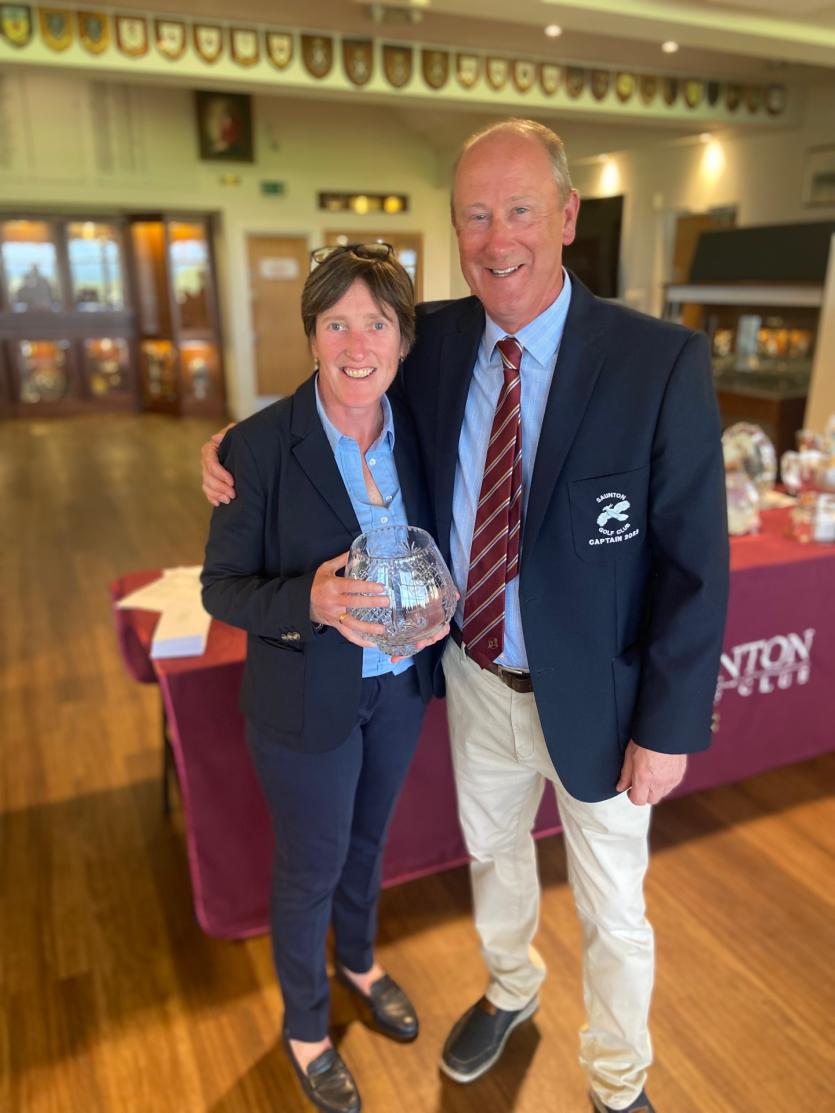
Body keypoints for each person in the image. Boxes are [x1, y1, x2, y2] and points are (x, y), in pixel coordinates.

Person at [201, 119, 729, 1113]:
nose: (497, 238)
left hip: (605, 700)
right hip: (475, 679)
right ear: (454, 233)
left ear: (566, 215)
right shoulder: (438, 339)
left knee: (614, 909)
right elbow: (342, 366)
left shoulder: (657, 361)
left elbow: (697, 562)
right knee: (493, 859)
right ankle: (510, 988)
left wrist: (668, 727)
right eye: (474, 217)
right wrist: (237, 440)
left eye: (519, 210)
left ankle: (618, 1083)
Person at [201, 243, 449, 1113]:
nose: (356, 343)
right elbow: (220, 588)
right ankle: (307, 1028)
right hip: (305, 697)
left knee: (368, 844)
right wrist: (305, 598)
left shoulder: (419, 429)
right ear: (310, 336)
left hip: (400, 683)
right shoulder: (258, 445)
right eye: (336, 323)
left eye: (375, 323)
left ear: (402, 339)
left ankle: (360, 962)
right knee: (311, 865)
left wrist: (440, 601)